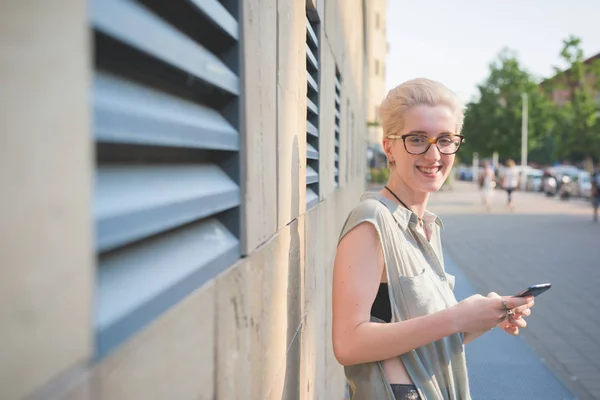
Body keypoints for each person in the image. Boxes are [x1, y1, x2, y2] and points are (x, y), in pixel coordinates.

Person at [332, 78, 535, 400]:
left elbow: (422, 338)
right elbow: (348, 344)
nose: (433, 154)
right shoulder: (371, 221)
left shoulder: (427, 225)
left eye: (445, 139)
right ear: (389, 147)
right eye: (417, 139)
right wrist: (457, 316)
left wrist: (484, 317)